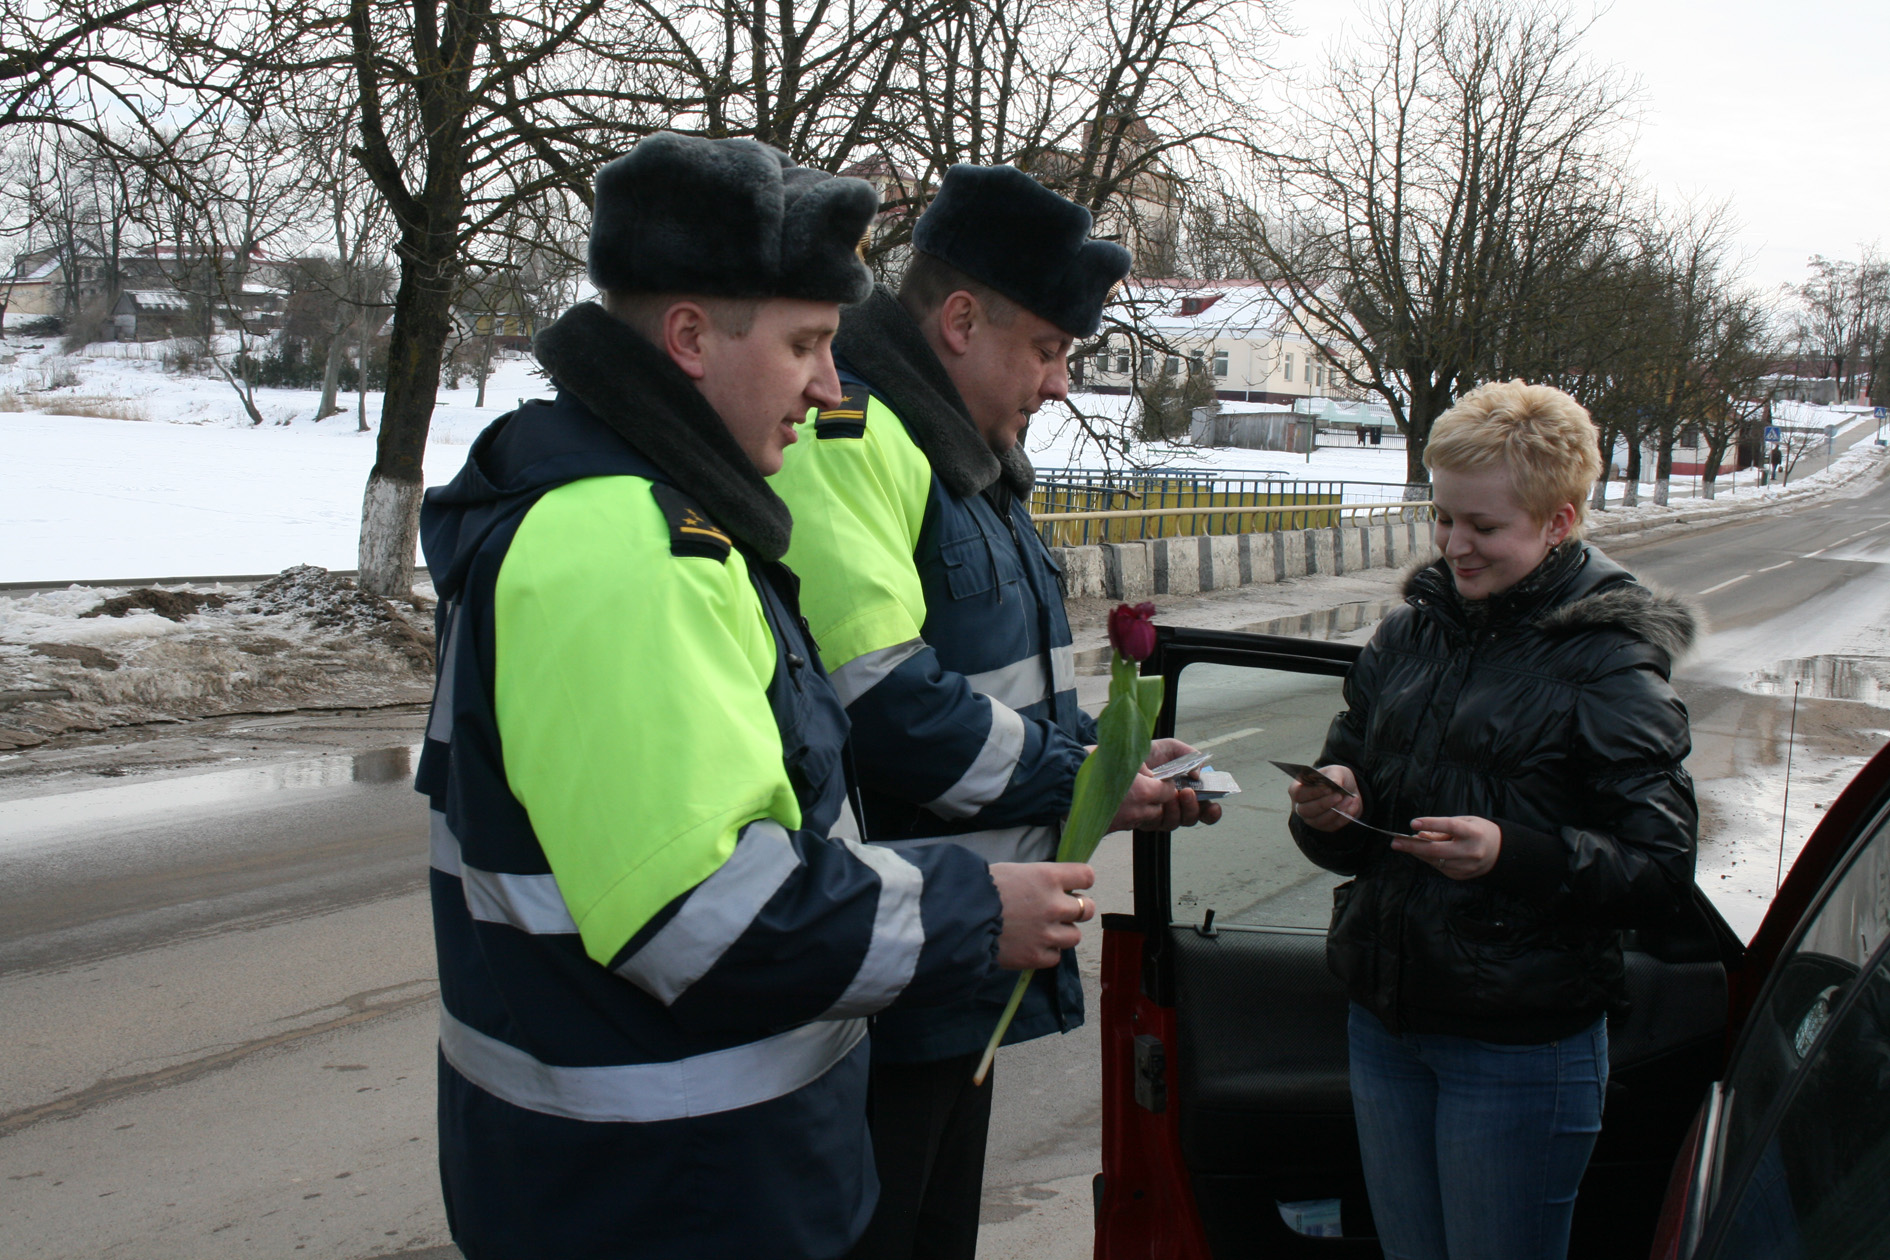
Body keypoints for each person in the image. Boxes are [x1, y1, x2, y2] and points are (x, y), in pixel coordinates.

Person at [414, 133, 1098, 1260]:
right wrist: (978, 909)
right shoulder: (622, 546)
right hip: (665, 1193)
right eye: (806, 345)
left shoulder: (654, 517)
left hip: (674, 1173)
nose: (833, 387)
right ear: (690, 337)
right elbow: (713, 918)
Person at [769, 163, 1219, 1260]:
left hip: (958, 956)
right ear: (961, 322)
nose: (1060, 383)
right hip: (890, 964)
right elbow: (884, 706)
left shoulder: (965, 457)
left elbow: (984, 696)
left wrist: (1101, 759)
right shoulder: (856, 440)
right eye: (1049, 350)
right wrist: (1085, 781)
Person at [1286, 379, 1699, 1260]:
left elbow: (1660, 869)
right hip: (1387, 1021)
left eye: (1484, 527)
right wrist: (1333, 810)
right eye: (1443, 519)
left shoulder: (1609, 662)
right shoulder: (1409, 635)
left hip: (1519, 1054)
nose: (1453, 547)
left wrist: (1513, 854)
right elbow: (1354, 833)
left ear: (1559, 520)